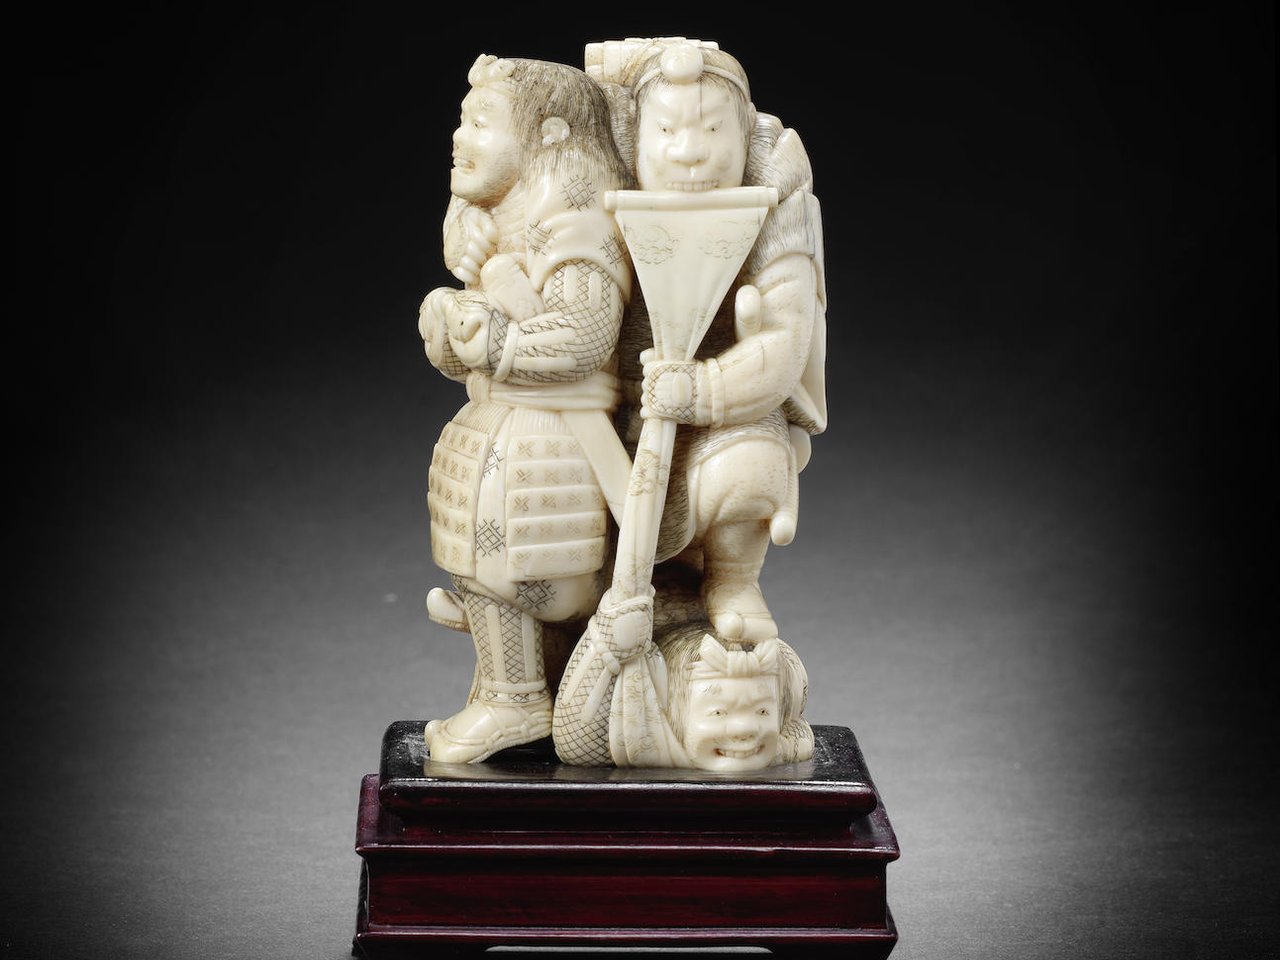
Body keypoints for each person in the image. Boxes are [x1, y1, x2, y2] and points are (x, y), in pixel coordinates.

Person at [417, 54, 633, 763]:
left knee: (515, 553)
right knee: (480, 544)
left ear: (549, 131)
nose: (460, 137)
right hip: (503, 415)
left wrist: (491, 335)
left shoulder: (579, 225)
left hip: (557, 430)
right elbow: (471, 347)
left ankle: (513, 699)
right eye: (462, 120)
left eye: (481, 122)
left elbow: (584, 336)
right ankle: (504, 665)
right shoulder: (505, 222)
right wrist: (453, 318)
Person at [591, 39, 828, 643]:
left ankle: (732, 578)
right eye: (666, 130)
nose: (690, 152)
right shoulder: (596, 180)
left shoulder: (776, 196)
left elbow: (784, 337)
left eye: (713, 130)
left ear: (745, 131)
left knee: (752, 464)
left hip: (722, 417)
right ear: (632, 136)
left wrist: (702, 390)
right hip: (608, 409)